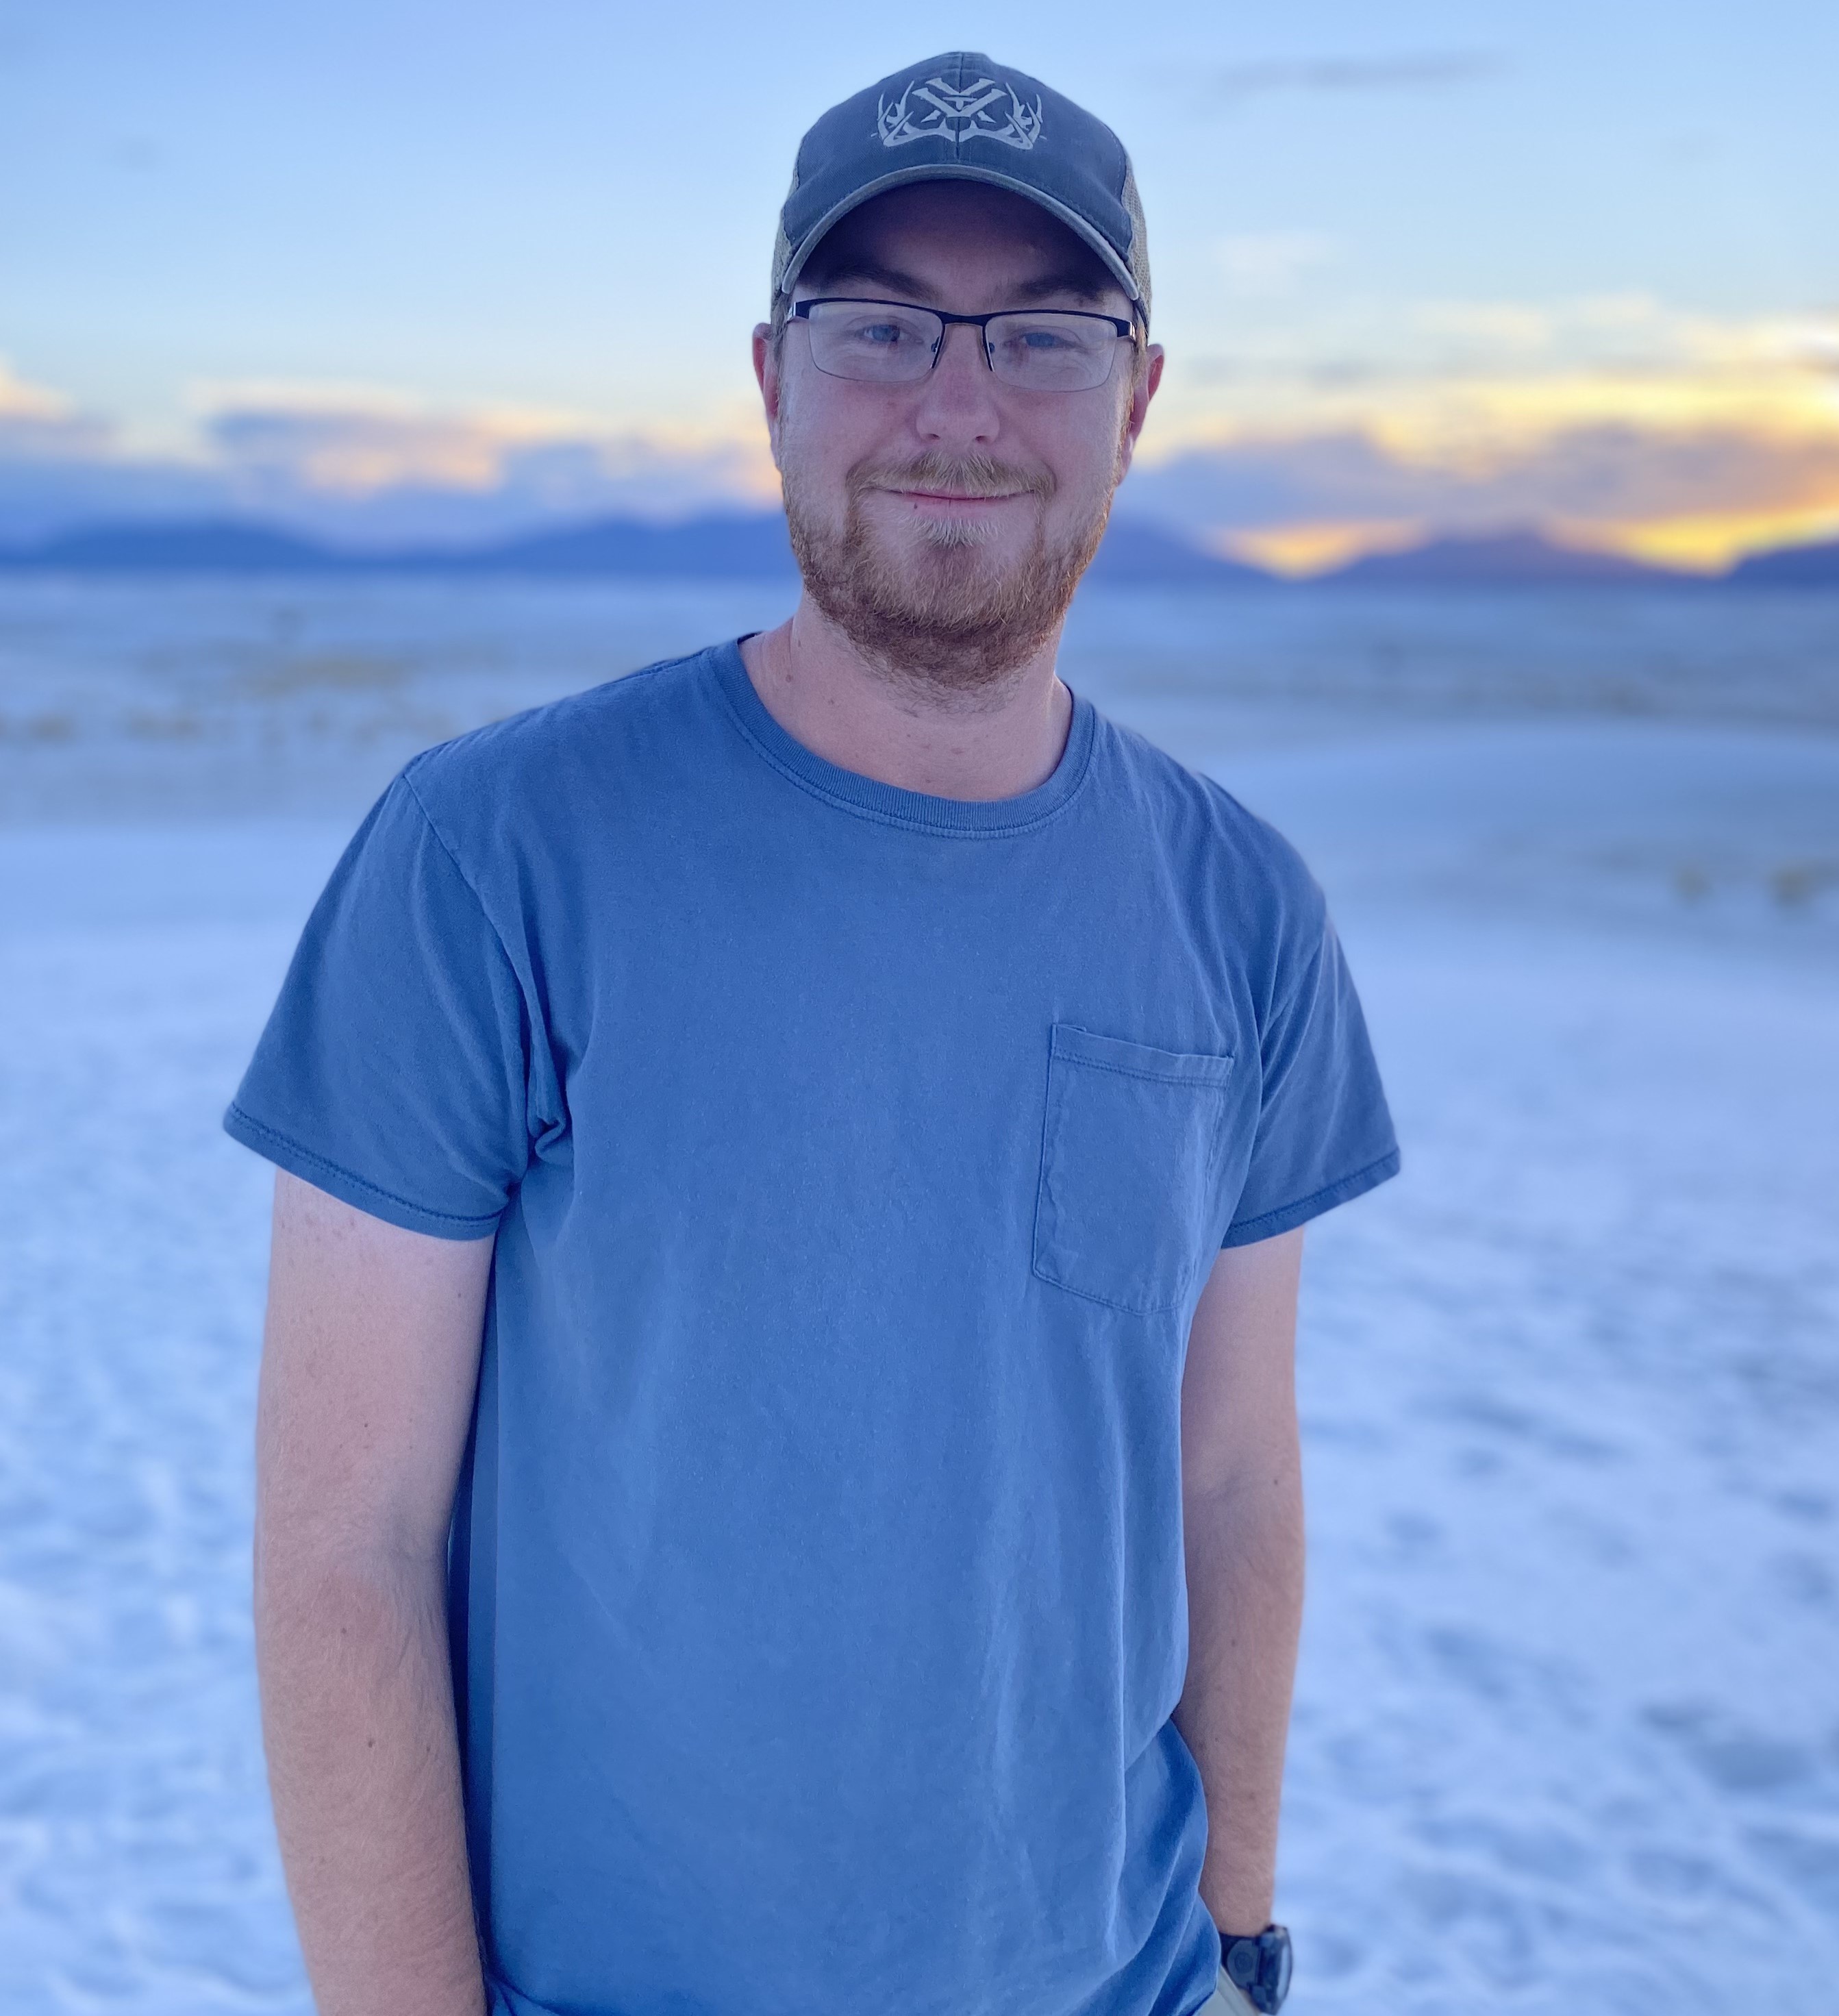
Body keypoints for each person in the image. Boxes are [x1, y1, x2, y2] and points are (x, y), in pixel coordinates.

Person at [229, 50, 1397, 2016]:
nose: (958, 405)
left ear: (1141, 398)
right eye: (880, 327)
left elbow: (1232, 1485)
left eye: (1041, 333)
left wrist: (1242, 1948)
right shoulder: (495, 854)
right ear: (773, 379)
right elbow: (351, 1540)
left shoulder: (1242, 906)